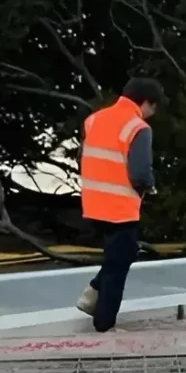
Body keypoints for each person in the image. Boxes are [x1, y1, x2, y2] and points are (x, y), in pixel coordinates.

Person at [76, 76, 165, 332]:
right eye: (154, 106)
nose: (153, 113)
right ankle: (104, 324)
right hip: (120, 206)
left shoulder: (94, 119)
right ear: (146, 102)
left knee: (121, 254)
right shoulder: (138, 127)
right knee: (118, 266)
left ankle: (92, 293)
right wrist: (150, 187)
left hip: (93, 202)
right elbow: (139, 172)